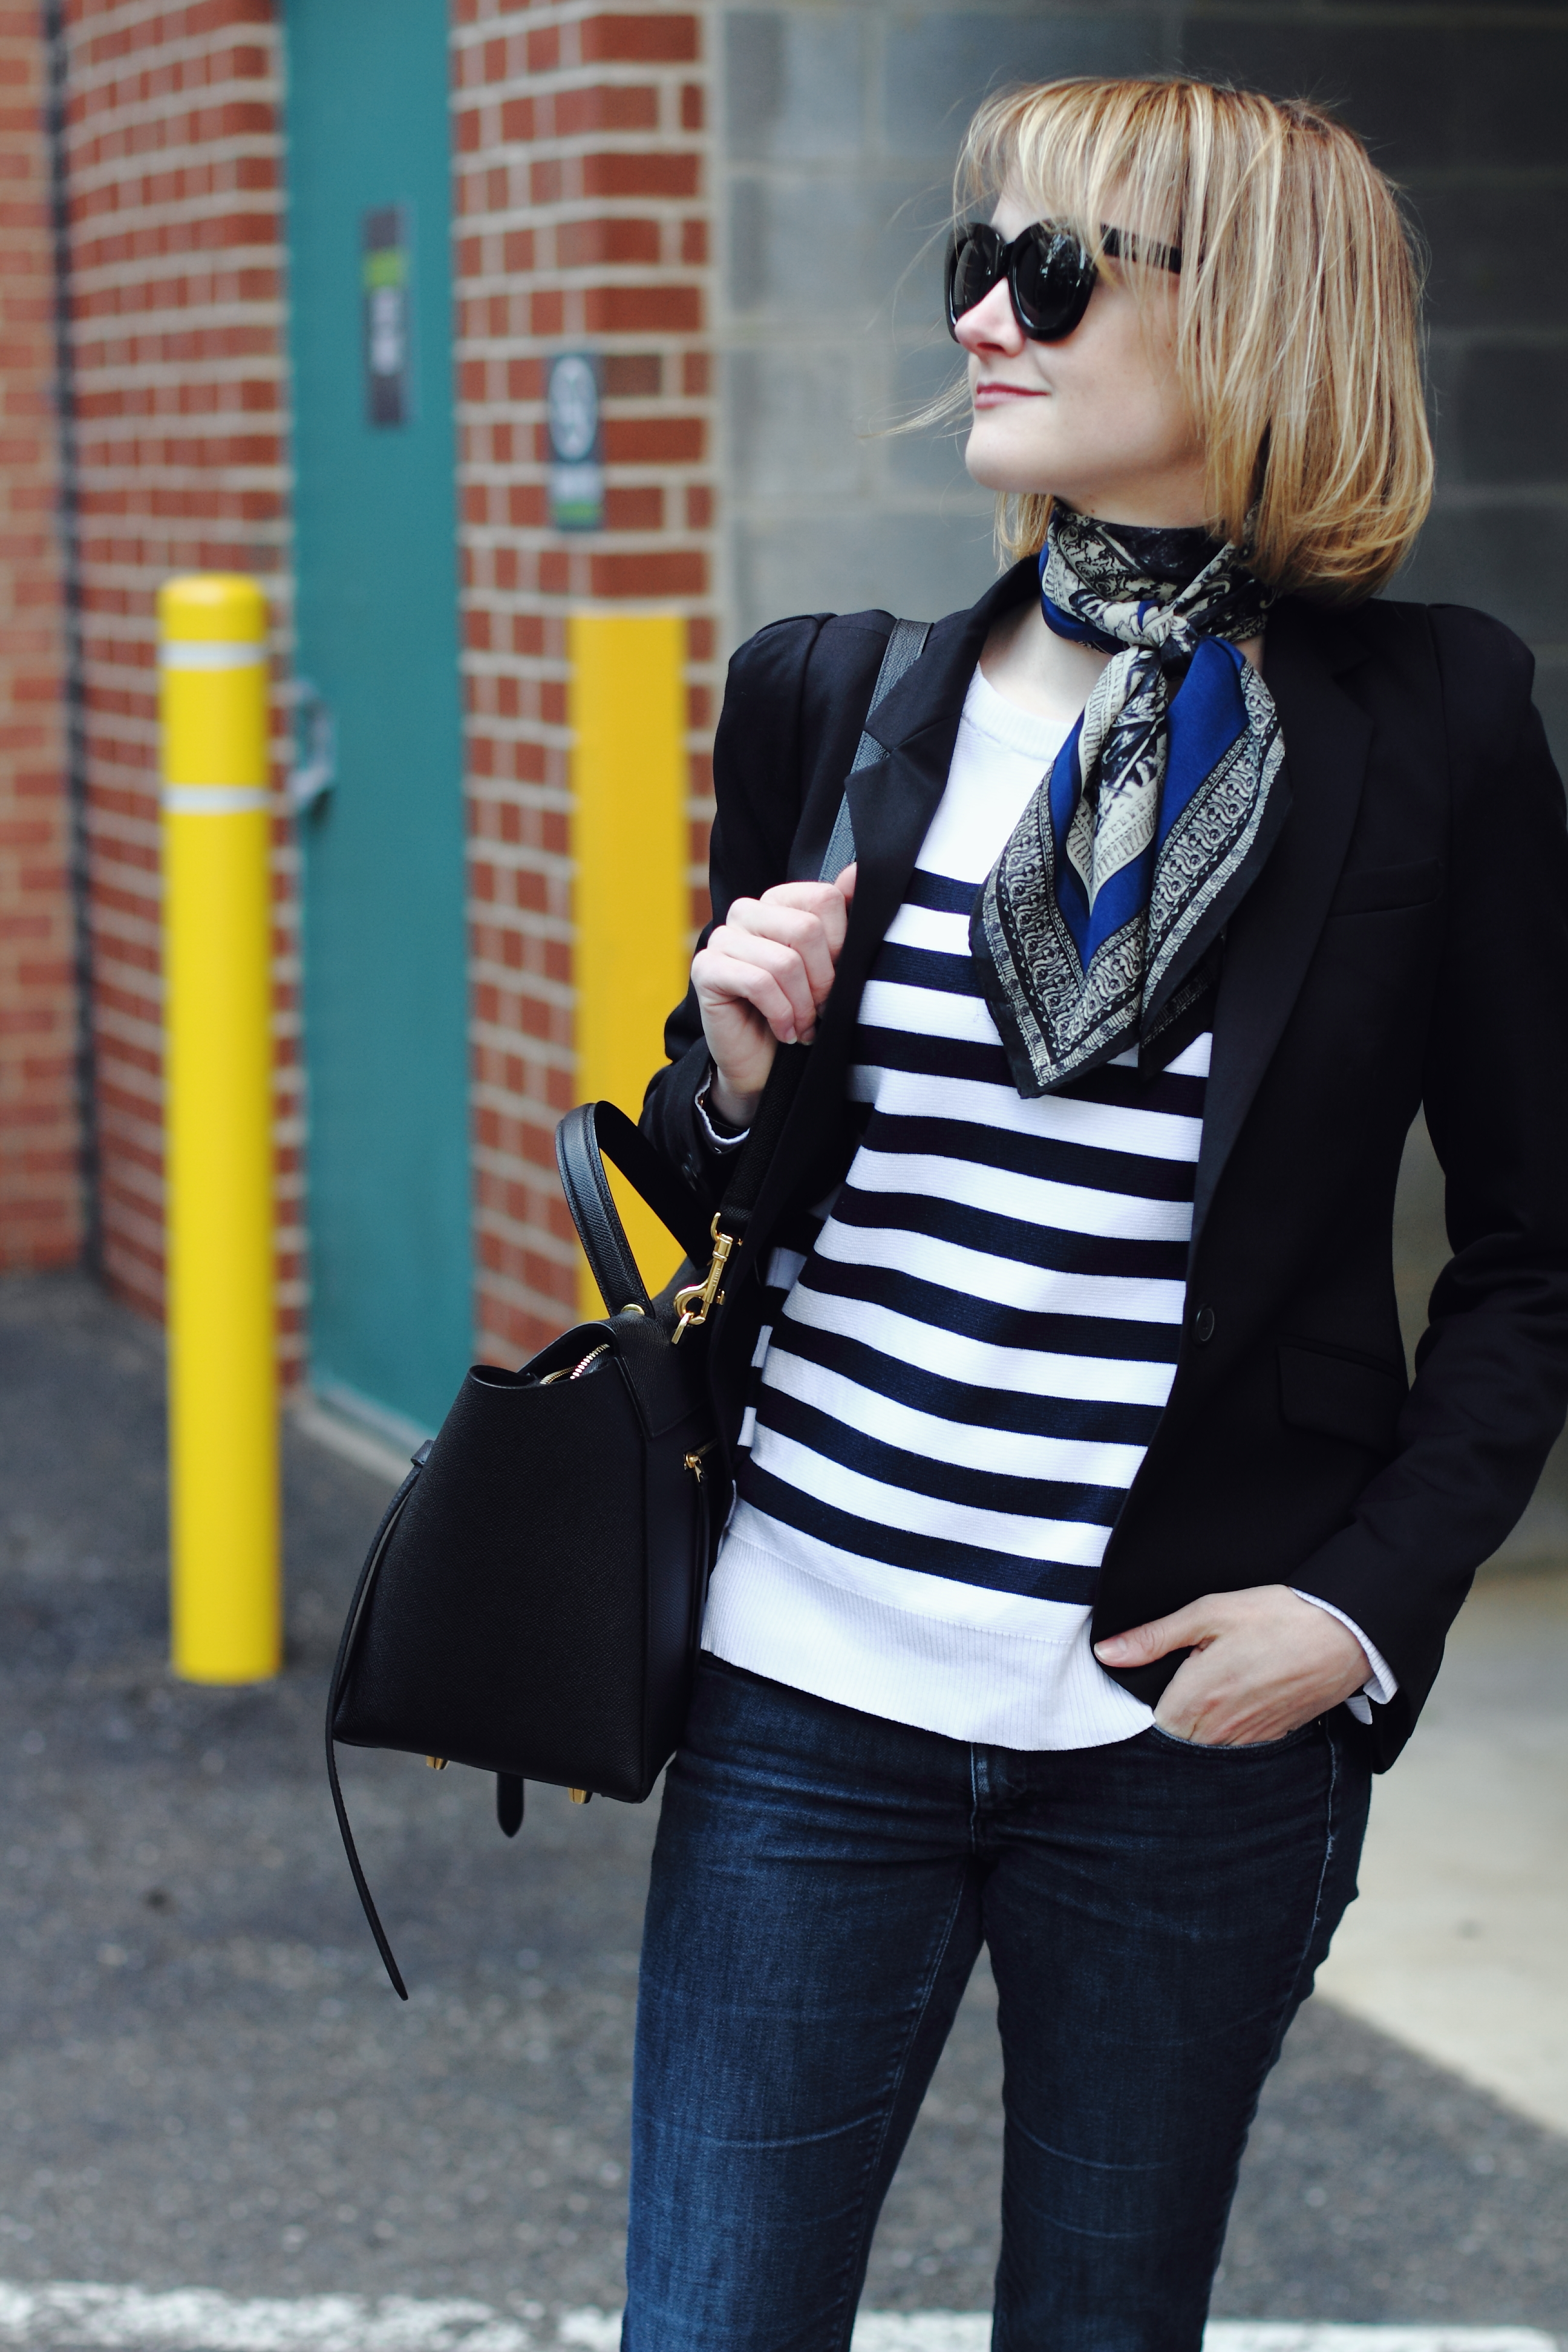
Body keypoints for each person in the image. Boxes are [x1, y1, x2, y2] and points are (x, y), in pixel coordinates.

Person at [624, 74, 1568, 2352]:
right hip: (805, 1686)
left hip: (1186, 1736)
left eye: (1050, 273)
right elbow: (734, 1182)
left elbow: (1541, 1251)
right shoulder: (840, 698)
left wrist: (1356, 1619)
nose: (981, 315)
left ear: (1250, 323)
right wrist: (732, 1073)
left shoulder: (1431, 723)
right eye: (971, 261)